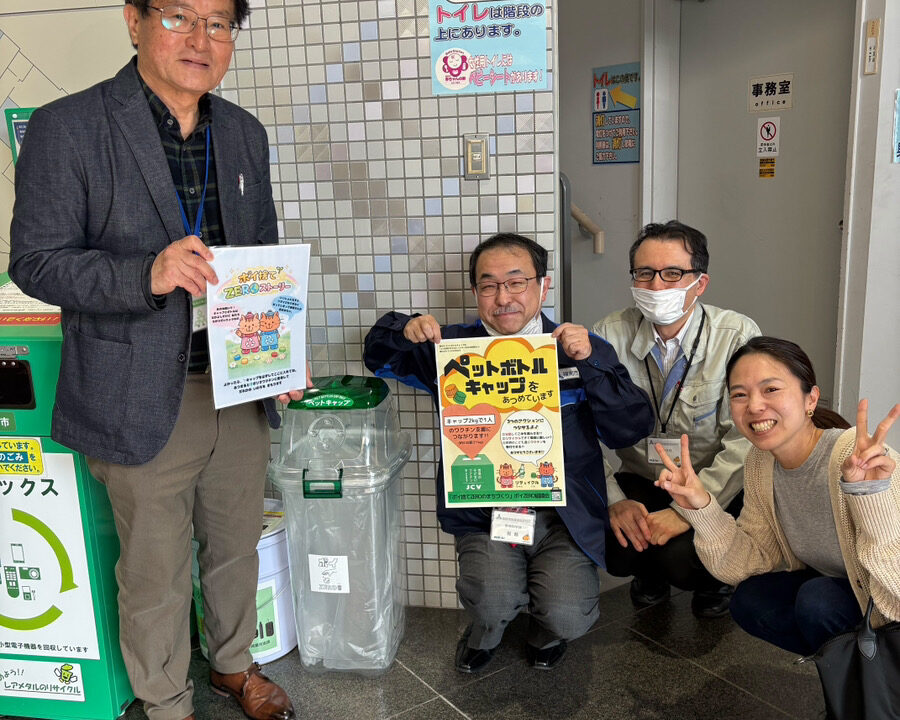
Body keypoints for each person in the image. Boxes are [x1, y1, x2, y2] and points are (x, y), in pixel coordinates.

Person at [9, 2, 301, 719]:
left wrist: (281, 356)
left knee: (235, 542)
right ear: (134, 20)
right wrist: (148, 273)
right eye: (179, 16)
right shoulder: (67, 126)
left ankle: (233, 665)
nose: (201, 39)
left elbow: (261, 255)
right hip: (133, 387)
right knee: (153, 567)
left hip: (237, 381)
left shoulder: (243, 132)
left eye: (219, 23)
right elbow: (36, 262)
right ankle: (167, 700)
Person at [364, 232, 654, 673]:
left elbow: (630, 427)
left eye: (517, 282)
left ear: (543, 285)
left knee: (569, 615)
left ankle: (545, 632)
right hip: (487, 513)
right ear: (475, 292)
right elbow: (378, 357)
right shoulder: (450, 349)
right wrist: (404, 329)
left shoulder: (575, 348)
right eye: (489, 285)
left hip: (565, 515)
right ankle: (486, 633)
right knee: (491, 601)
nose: (503, 298)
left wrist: (591, 362)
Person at [656, 336, 900, 655]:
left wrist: (869, 496)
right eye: (739, 394)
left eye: (771, 389)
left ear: (811, 399)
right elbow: (753, 559)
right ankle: (844, 671)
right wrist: (702, 508)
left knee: (818, 600)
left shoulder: (858, 459)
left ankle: (872, 676)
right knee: (752, 601)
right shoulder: (760, 462)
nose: (754, 406)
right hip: (841, 591)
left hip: (889, 599)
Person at [592, 221, 760, 618]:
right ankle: (647, 572)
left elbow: (746, 438)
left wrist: (690, 510)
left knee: (683, 559)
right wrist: (615, 501)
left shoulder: (736, 335)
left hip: (710, 482)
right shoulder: (606, 336)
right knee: (614, 543)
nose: (656, 285)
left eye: (672, 273)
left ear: (700, 283)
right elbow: (579, 432)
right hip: (643, 477)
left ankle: (716, 578)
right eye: (644, 273)